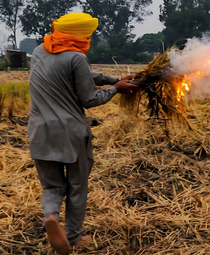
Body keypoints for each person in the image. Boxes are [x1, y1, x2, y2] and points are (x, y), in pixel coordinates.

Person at [28, 13, 139, 255]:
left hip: (38, 131)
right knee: (77, 186)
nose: (89, 39)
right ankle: (73, 237)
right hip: (70, 134)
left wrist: (114, 78)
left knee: (51, 186)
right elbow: (89, 98)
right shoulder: (77, 58)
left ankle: (51, 217)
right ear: (79, 35)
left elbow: (84, 75)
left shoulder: (39, 51)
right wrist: (115, 89)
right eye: (87, 35)